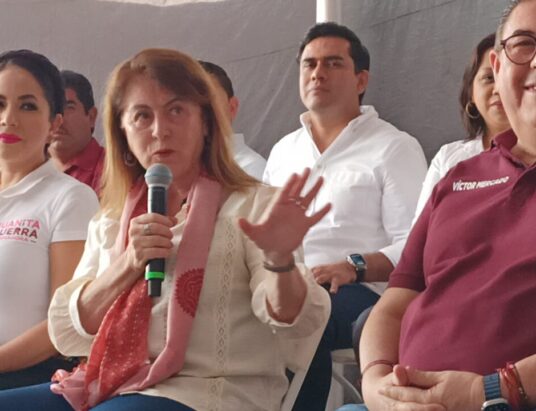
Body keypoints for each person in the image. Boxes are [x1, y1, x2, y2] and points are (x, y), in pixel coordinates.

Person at [0, 48, 331, 411]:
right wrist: (128, 263)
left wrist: (280, 262)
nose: (160, 130)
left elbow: (291, 323)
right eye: (142, 116)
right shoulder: (112, 218)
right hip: (113, 385)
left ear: (206, 122)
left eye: (176, 110)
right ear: (123, 133)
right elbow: (69, 332)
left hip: (209, 392)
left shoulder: (253, 206)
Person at [350, 1, 536, 410]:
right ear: (498, 66)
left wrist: (490, 390)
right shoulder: (457, 177)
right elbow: (396, 301)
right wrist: (376, 384)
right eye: (524, 44)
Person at [263, 22, 427, 410]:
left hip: (361, 291)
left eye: (333, 63)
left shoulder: (393, 147)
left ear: (361, 79)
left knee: (303, 316)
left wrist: (353, 266)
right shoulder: (283, 151)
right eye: (309, 64)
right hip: (285, 279)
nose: (317, 73)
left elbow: (418, 245)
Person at [0, 50, 99, 389]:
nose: (9, 119)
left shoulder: (70, 198)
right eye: (0, 104)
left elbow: (64, 325)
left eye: (27, 106)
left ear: (54, 123)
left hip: (26, 378)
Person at [412, 32, 511, 217]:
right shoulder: (448, 159)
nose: (498, 88)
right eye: (489, 78)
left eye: (509, 77)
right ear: (471, 93)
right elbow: (421, 229)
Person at [199, 60, 267, 180]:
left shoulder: (251, 173)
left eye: (209, 102)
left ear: (231, 108)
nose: (197, 113)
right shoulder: (170, 170)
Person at [49, 70, 105, 195]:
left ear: (91, 117)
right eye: (51, 108)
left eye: (69, 108)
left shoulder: (115, 170)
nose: (58, 119)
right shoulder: (28, 171)